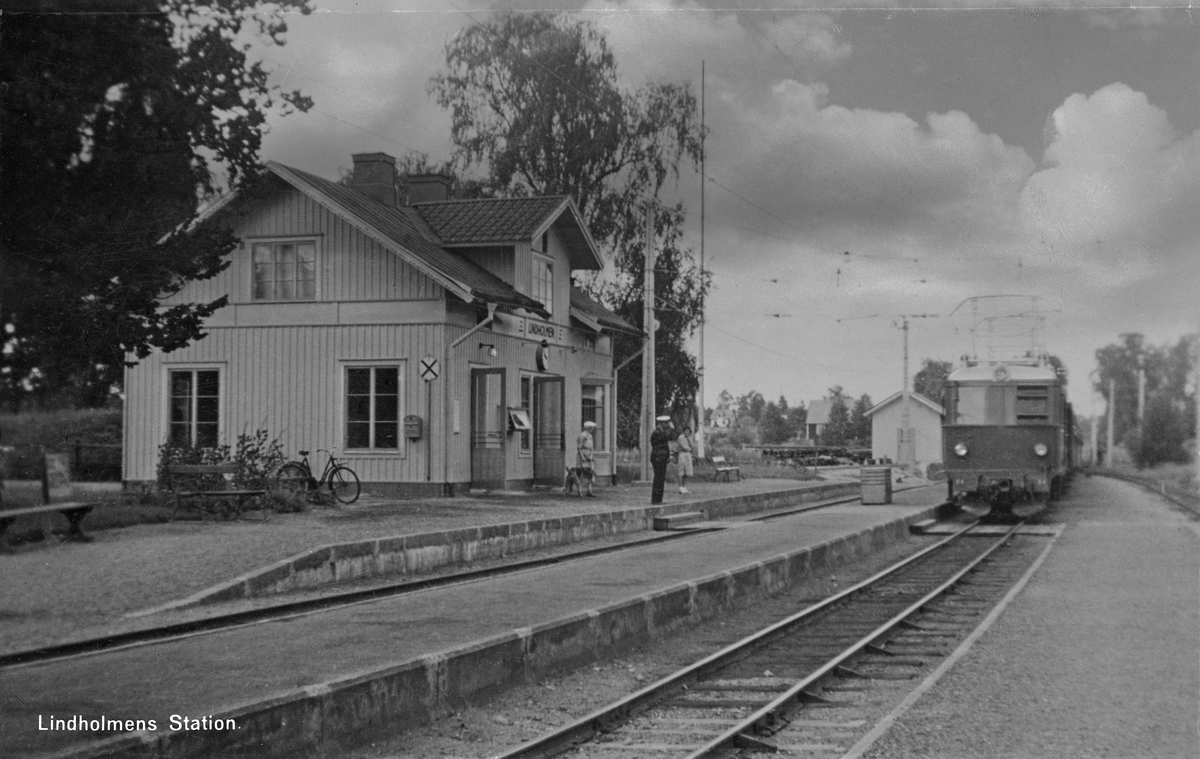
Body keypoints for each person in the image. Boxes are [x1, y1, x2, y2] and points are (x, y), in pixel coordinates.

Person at [650, 415, 673, 505]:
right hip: (658, 459)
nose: (667, 424)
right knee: (658, 479)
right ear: (661, 423)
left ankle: (658, 499)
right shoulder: (657, 433)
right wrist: (664, 457)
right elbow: (657, 447)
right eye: (665, 423)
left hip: (661, 459)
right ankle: (656, 499)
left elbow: (668, 440)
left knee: (660, 479)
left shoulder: (661, 432)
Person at [576, 420, 597, 497]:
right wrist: (582, 456)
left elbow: (591, 447)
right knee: (582, 473)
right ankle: (579, 491)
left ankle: (589, 491)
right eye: (592, 428)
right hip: (583, 454)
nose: (593, 429)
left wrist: (591, 455)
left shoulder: (590, 436)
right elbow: (579, 447)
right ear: (588, 428)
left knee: (590, 473)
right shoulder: (582, 435)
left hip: (589, 454)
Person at [676, 425, 694, 494]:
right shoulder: (681, 437)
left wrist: (689, 441)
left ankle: (684, 487)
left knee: (687, 471)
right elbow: (683, 447)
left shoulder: (689, 438)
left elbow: (692, 447)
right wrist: (689, 449)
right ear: (684, 431)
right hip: (682, 454)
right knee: (681, 471)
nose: (687, 433)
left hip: (688, 455)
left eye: (688, 432)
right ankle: (680, 487)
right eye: (686, 431)